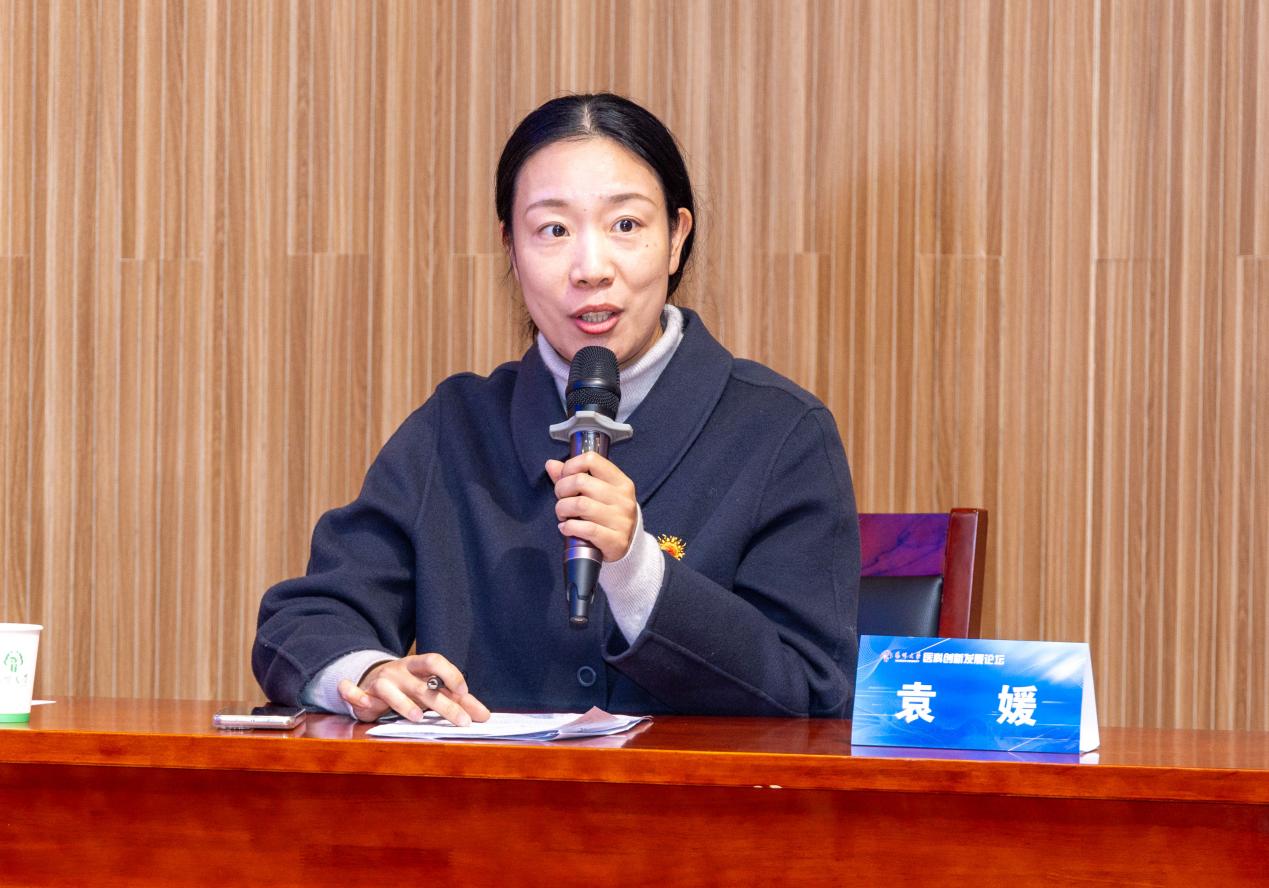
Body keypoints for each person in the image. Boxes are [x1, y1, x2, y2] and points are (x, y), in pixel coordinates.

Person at [253, 93, 860, 725]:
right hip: (490, 791)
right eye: (554, 230)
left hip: (696, 793)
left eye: (626, 225)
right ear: (511, 249)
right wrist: (369, 674)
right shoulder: (456, 425)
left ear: (677, 239)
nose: (591, 268)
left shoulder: (782, 432)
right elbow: (305, 620)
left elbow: (815, 691)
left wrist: (637, 571)